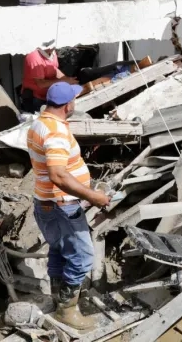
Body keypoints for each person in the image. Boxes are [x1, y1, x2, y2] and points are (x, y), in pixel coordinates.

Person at [26, 82, 111, 330]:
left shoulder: (39, 122)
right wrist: (93, 196)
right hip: (62, 205)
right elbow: (59, 176)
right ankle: (67, 310)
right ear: (67, 105)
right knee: (83, 257)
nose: (75, 102)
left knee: (58, 249)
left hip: (45, 202)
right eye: (74, 99)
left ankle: (56, 298)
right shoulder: (55, 132)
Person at [21, 39, 78, 113]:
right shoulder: (34, 57)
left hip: (47, 96)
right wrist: (63, 81)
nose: (53, 48)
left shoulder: (52, 52)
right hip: (34, 98)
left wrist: (67, 79)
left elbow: (54, 68)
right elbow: (40, 83)